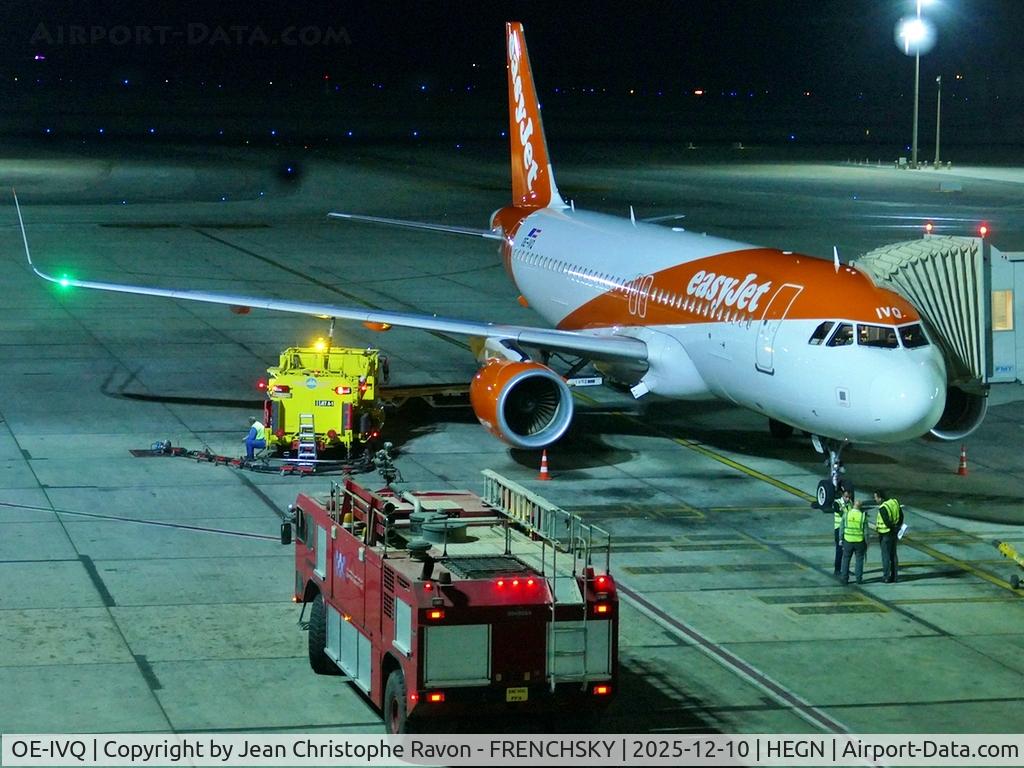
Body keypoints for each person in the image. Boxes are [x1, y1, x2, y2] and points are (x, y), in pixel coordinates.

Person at [874, 489, 903, 583]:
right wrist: (897, 527)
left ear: (880, 498)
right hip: (894, 533)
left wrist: (892, 528)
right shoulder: (894, 502)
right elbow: (901, 516)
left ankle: (886, 576)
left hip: (885, 534)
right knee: (893, 554)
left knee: (885, 555)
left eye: (876, 498)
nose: (875, 500)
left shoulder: (883, 508)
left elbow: (887, 522)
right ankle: (895, 576)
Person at [839, 499, 868, 584]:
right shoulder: (863, 516)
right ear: (860, 507)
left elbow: (842, 528)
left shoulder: (846, 514)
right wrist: (867, 542)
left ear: (853, 505)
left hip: (848, 540)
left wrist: (841, 538)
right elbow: (866, 532)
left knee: (846, 559)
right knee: (859, 560)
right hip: (859, 541)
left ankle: (844, 578)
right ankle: (859, 579)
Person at [830, 488, 853, 576]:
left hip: (847, 529)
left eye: (849, 497)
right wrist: (841, 508)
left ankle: (845, 569)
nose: (847, 498)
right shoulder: (837, 502)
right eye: (846, 497)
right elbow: (836, 508)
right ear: (842, 495)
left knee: (847, 550)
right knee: (839, 550)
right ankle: (837, 569)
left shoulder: (850, 503)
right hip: (839, 529)